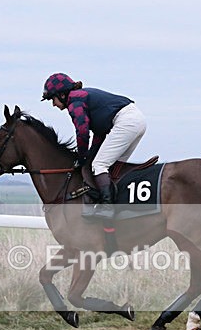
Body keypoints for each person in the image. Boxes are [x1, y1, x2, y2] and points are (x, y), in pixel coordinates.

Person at [42, 73, 147, 220]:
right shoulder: (83, 98)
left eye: (52, 99)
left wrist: (81, 157)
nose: (53, 104)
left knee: (99, 165)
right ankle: (119, 203)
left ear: (62, 94)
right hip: (136, 120)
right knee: (113, 166)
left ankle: (107, 208)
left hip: (126, 122)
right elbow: (99, 135)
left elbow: (83, 132)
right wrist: (87, 157)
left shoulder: (75, 101)